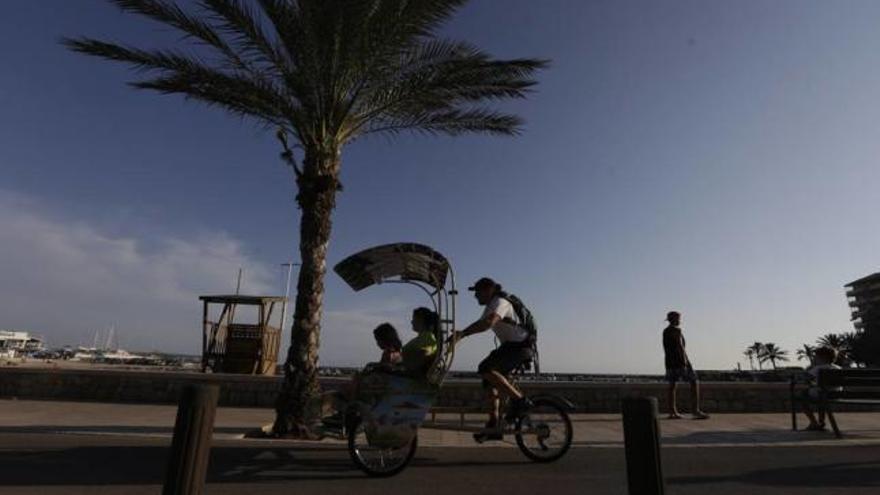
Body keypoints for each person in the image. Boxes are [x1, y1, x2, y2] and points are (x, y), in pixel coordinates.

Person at [453, 277, 533, 441]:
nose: (475, 296)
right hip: (510, 347)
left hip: (520, 347)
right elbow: (481, 322)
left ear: (489, 290)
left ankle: (520, 401)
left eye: (477, 292)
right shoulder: (491, 305)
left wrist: (462, 334)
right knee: (488, 380)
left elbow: (489, 323)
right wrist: (460, 334)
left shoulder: (500, 302)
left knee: (486, 368)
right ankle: (494, 424)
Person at [663, 311, 709, 419]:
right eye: (678, 318)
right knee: (694, 382)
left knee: (672, 386)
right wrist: (685, 362)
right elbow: (680, 347)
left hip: (669, 362)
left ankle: (672, 411)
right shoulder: (676, 331)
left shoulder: (665, 331)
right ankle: (695, 410)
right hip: (680, 361)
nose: (680, 321)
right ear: (674, 319)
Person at [799, 346, 841, 431]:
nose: (814, 358)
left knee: (802, 396)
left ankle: (814, 423)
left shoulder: (818, 368)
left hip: (820, 394)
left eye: (816, 357)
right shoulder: (837, 368)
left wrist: (809, 369)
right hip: (835, 394)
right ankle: (821, 422)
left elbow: (806, 379)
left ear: (822, 358)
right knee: (822, 398)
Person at [400, 307, 440, 377]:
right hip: (408, 373)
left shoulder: (428, 337)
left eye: (414, 319)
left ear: (420, 320)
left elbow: (427, 351)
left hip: (412, 377)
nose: (411, 322)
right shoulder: (423, 337)